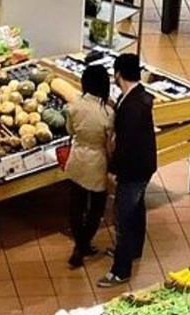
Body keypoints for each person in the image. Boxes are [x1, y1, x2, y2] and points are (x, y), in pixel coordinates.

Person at [100, 52, 156, 287]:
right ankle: (134, 250)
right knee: (137, 210)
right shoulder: (137, 97)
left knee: (124, 216)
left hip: (133, 170)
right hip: (144, 165)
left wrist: (114, 169)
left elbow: (126, 144)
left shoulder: (132, 106)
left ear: (118, 74)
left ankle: (120, 271)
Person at [62, 64, 114, 268]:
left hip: (77, 159)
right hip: (97, 160)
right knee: (96, 207)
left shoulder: (74, 107)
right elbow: (109, 142)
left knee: (76, 204)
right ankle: (82, 245)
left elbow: (70, 131)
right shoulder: (108, 113)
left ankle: (80, 244)